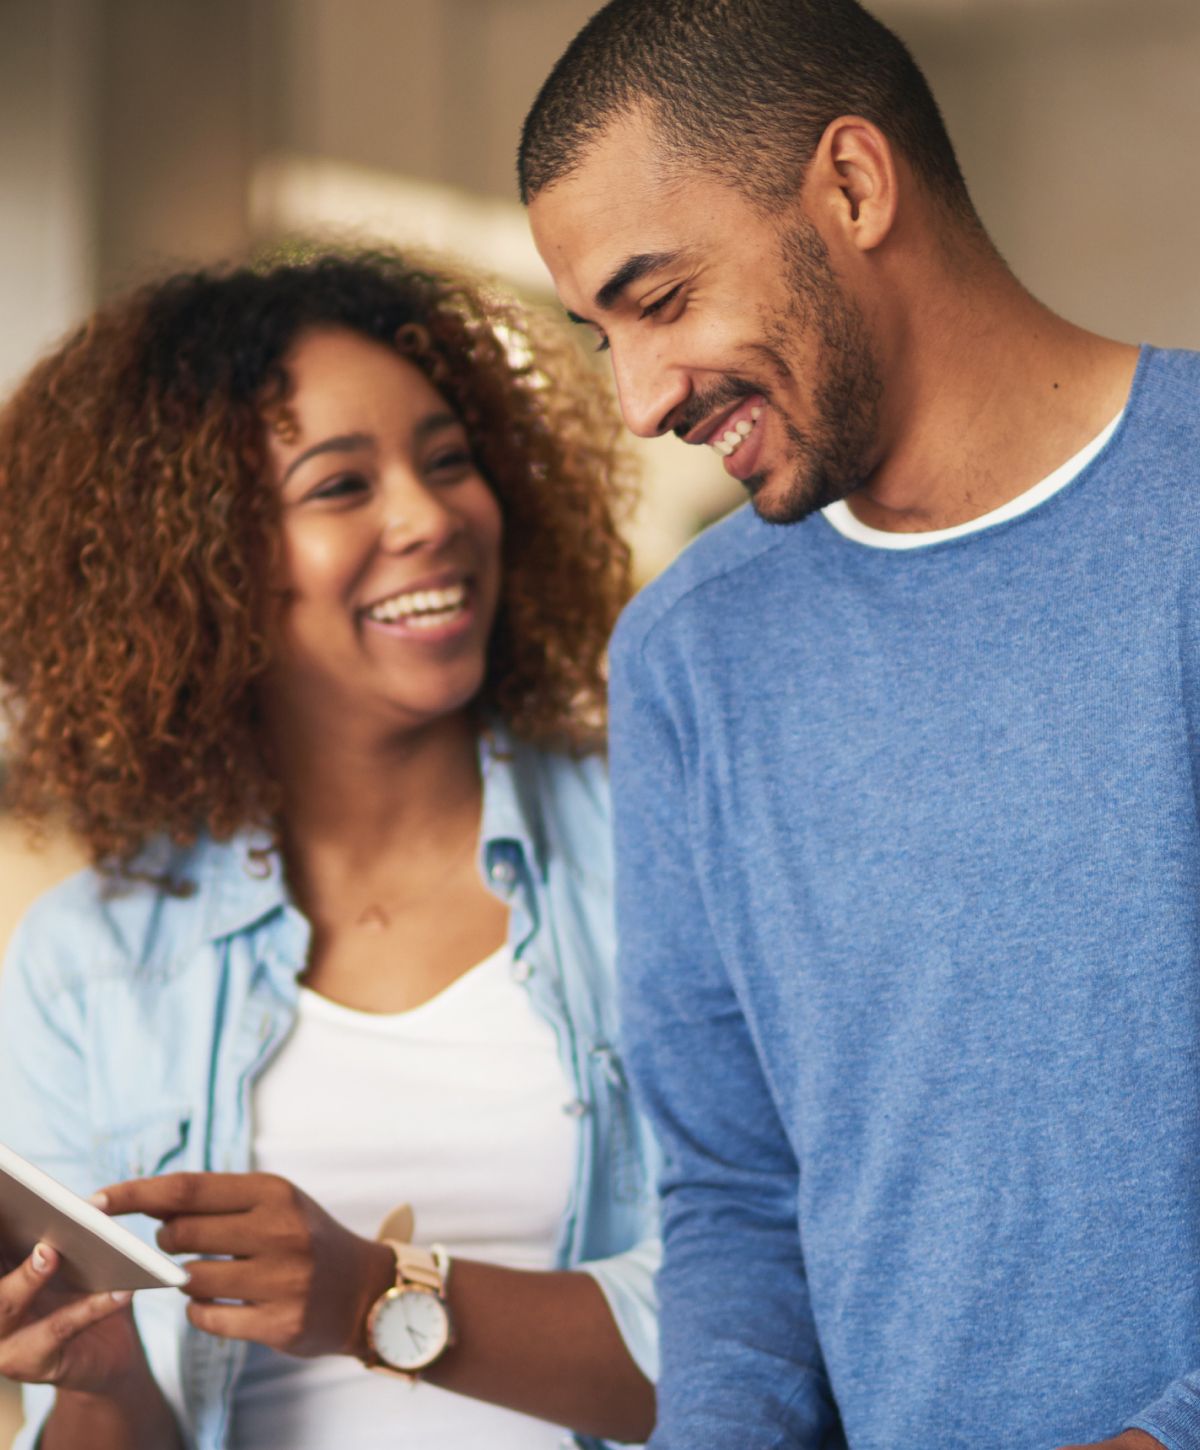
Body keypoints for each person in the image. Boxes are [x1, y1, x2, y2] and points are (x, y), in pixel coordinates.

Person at [518, 2, 1200, 1447]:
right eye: (602, 337)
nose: (639, 400)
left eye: (662, 298)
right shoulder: (690, 659)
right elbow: (737, 1193)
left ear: (853, 185)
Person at [0, 247, 658, 1450]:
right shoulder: (84, 960)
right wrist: (98, 1378)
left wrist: (376, 1297)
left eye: (450, 460)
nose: (429, 516)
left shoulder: (662, 843)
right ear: (199, 567)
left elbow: (768, 1330)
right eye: (340, 485)